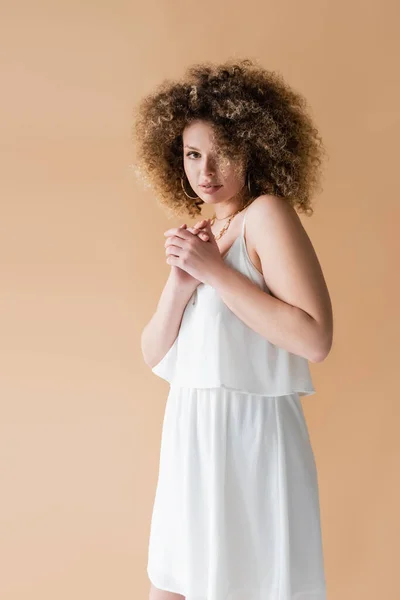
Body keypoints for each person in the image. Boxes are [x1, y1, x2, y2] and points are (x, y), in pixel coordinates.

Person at [135, 58, 333, 600]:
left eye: (223, 151)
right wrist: (181, 283)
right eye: (193, 154)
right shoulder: (203, 232)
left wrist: (215, 273)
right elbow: (155, 354)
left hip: (249, 441)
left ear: (256, 146)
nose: (206, 170)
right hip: (190, 438)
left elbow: (315, 339)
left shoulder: (266, 215)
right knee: (173, 585)